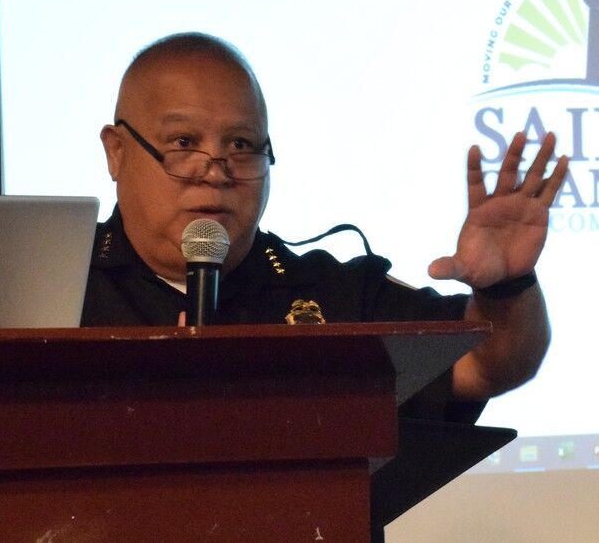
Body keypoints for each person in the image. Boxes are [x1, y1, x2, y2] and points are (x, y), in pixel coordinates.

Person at [81, 32, 569, 423]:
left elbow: (489, 363)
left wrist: (509, 286)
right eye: (184, 141)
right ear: (117, 152)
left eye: (242, 144)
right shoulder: (56, 287)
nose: (216, 170)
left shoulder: (338, 298)